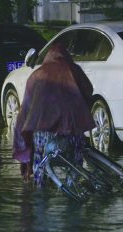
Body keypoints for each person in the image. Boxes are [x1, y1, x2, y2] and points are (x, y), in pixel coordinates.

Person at [12, 43, 96, 186]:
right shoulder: (75, 70)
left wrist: (23, 151)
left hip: (43, 130)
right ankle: (73, 184)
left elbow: (25, 110)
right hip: (72, 127)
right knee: (76, 158)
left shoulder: (36, 75)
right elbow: (88, 91)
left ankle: (40, 187)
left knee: (40, 161)